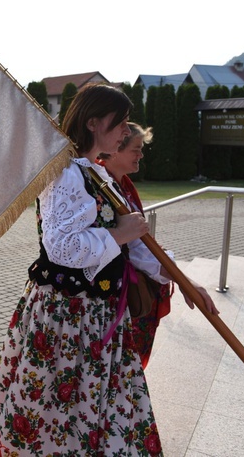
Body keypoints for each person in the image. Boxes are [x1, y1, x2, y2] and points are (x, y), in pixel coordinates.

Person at [0, 84, 220, 455]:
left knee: (111, 413)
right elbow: (60, 247)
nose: (126, 132)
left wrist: (184, 280)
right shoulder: (65, 174)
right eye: (121, 123)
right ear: (93, 123)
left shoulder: (97, 174)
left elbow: (136, 248)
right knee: (57, 418)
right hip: (65, 319)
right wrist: (118, 233)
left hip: (99, 318)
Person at [99, 123, 172, 368]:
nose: (141, 155)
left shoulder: (123, 185)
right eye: (136, 149)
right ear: (115, 149)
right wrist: (169, 270)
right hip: (114, 293)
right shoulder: (102, 186)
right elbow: (129, 247)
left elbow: (139, 241)